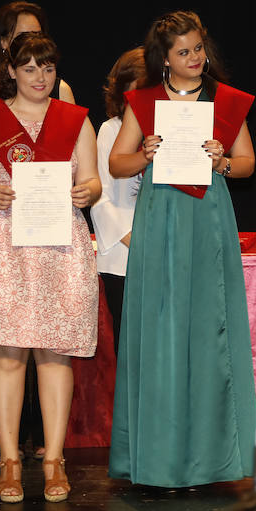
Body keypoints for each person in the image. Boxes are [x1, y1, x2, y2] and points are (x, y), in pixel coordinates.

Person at [0, 32, 101, 503]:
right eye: (31, 68)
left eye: (49, 68)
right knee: (9, 355)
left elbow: (93, 180)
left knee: (55, 353)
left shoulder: (75, 121)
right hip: (3, 243)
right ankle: (10, 459)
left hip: (58, 245)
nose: (41, 77)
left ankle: (54, 458)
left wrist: (87, 193)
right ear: (11, 70)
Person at [108, 11, 256, 488]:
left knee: (210, 331)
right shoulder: (145, 101)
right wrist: (145, 154)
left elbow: (248, 163)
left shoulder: (224, 100)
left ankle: (215, 458)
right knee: (162, 331)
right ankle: (158, 458)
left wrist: (224, 161)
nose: (196, 58)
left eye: (199, 48)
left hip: (208, 219)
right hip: (161, 221)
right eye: (185, 52)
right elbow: (116, 163)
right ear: (165, 60)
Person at [90, 47, 146, 354]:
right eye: (136, 87)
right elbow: (101, 199)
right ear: (122, 90)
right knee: (131, 347)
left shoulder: (169, 132)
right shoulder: (110, 131)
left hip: (164, 254)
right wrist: (133, 240)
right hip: (122, 258)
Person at [0, 1, 75, 108]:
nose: (32, 42)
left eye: (37, 35)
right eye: (23, 36)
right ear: (4, 42)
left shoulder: (60, 90)